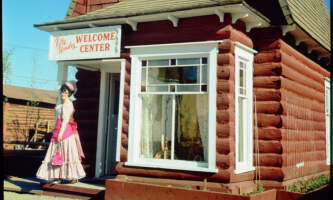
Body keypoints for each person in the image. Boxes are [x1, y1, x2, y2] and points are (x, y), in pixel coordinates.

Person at [36, 81, 86, 184]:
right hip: (58, 131)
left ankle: (71, 176)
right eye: (62, 92)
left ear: (69, 94)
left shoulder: (68, 104)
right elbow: (58, 120)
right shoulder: (61, 104)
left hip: (65, 133)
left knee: (66, 154)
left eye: (66, 92)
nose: (63, 94)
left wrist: (60, 134)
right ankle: (57, 176)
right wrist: (56, 132)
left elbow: (66, 120)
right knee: (57, 154)